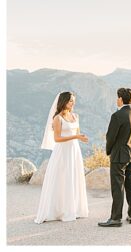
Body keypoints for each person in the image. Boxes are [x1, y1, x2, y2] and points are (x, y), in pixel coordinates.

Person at [33, 91, 90, 224]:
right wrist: (76, 137)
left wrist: (81, 137)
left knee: (73, 177)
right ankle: (59, 210)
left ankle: (74, 208)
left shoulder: (75, 116)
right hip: (62, 152)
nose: (73, 103)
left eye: (74, 101)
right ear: (64, 102)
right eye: (70, 101)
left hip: (74, 150)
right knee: (62, 179)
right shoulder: (57, 118)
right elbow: (57, 138)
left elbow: (77, 132)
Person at [99, 87, 131, 227]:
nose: (116, 100)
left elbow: (110, 137)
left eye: (117, 97)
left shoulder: (117, 116)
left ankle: (116, 218)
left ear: (121, 99)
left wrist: (108, 151)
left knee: (117, 187)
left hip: (119, 155)